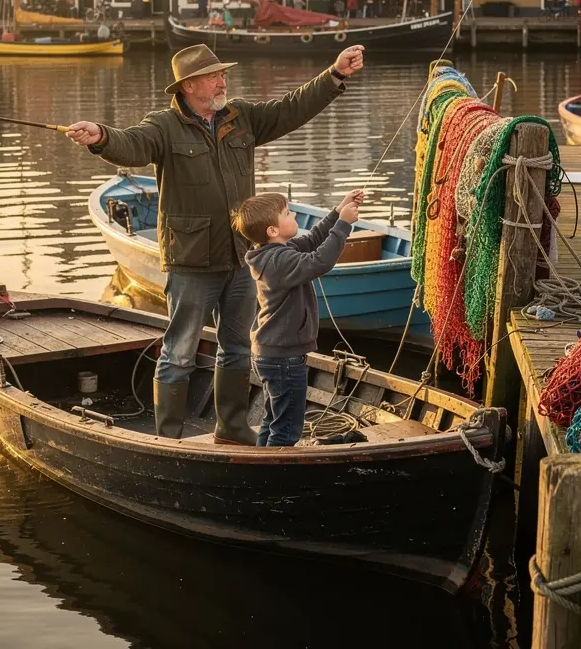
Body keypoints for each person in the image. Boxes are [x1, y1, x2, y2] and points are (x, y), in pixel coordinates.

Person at [65, 41, 366, 443]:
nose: (223, 79)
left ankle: (232, 428)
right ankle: (167, 438)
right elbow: (131, 143)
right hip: (190, 261)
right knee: (179, 352)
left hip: (242, 258)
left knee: (238, 347)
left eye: (222, 73)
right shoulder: (163, 126)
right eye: (214, 75)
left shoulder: (242, 117)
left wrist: (335, 75)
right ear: (189, 86)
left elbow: (291, 107)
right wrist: (100, 136)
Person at [234, 189, 363, 447]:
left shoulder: (277, 251)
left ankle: (261, 464)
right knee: (287, 428)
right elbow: (319, 261)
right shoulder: (280, 261)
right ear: (273, 230)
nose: (293, 215)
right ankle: (277, 477)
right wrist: (344, 225)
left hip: (271, 354)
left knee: (273, 420)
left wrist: (338, 211)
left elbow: (315, 239)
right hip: (284, 358)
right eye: (287, 213)